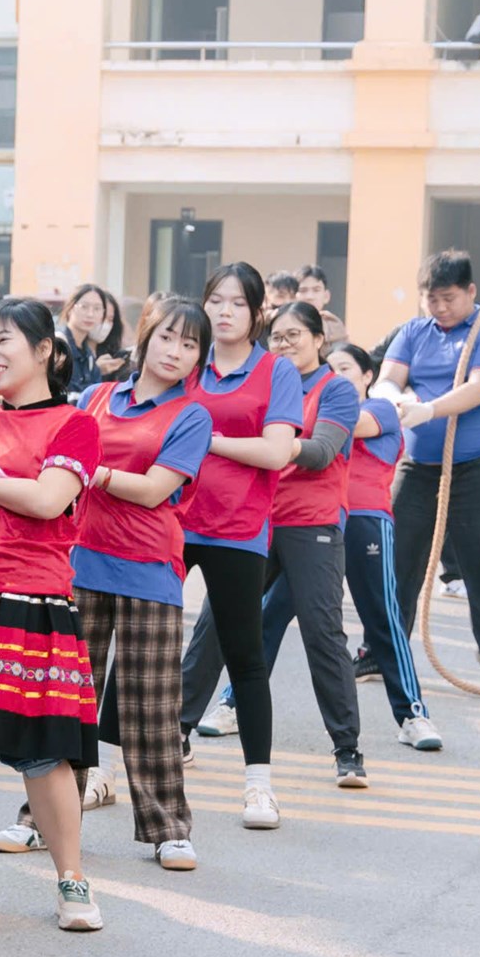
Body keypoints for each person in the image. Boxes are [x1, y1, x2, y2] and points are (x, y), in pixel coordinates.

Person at [0, 298, 104, 927]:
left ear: (45, 351)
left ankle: (72, 880)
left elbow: (46, 500)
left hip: (29, 600)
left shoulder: (75, 424)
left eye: (5, 340)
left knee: (43, 751)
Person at [191, 302, 367, 785]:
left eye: (295, 335)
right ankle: (178, 730)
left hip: (311, 524)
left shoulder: (335, 389)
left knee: (322, 633)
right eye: (278, 336)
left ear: (319, 340)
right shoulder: (265, 380)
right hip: (253, 518)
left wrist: (272, 445)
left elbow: (322, 451)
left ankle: (347, 750)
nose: (285, 344)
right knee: (213, 624)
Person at [71, 300, 215, 871]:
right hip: (80, 562)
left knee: (150, 707)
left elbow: (155, 490)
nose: (175, 351)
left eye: (190, 345)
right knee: (67, 700)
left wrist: (94, 472)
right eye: (168, 337)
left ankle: (168, 828)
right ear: (147, 336)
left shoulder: (191, 416)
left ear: (198, 359)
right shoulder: (95, 397)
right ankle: (42, 819)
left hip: (149, 568)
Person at [176, 261, 304, 827]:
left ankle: (259, 787)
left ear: (257, 313)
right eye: (215, 301)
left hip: (238, 528)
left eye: (237, 303)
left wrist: (207, 439)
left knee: (245, 657)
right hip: (171, 520)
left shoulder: (276, 371)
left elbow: (276, 452)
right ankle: (104, 771)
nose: (224, 312)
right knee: (137, 646)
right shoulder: (185, 360)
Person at [378, 249, 480, 689]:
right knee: (395, 556)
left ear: (470, 291)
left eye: (449, 298)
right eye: (432, 299)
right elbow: (387, 377)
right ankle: (379, 649)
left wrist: (428, 410)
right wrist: (394, 397)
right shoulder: (413, 332)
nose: (440, 308)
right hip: (419, 465)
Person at [329, 342, 442, 750]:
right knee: (270, 612)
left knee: (383, 619)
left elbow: (350, 425)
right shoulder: (316, 409)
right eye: (328, 369)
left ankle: (413, 715)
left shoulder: (380, 409)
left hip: (366, 521)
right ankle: (232, 703)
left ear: (367, 376)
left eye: (345, 368)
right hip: (317, 521)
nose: (335, 376)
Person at [57, 282, 126, 401]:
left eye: (97, 309)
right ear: (70, 308)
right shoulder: (59, 343)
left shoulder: (88, 354)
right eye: (84, 307)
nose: (90, 314)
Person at [295, 263, 349, 347]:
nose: (310, 297)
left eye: (316, 290)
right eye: (303, 290)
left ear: (326, 296)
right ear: (293, 296)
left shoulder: (335, 326)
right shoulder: (283, 324)